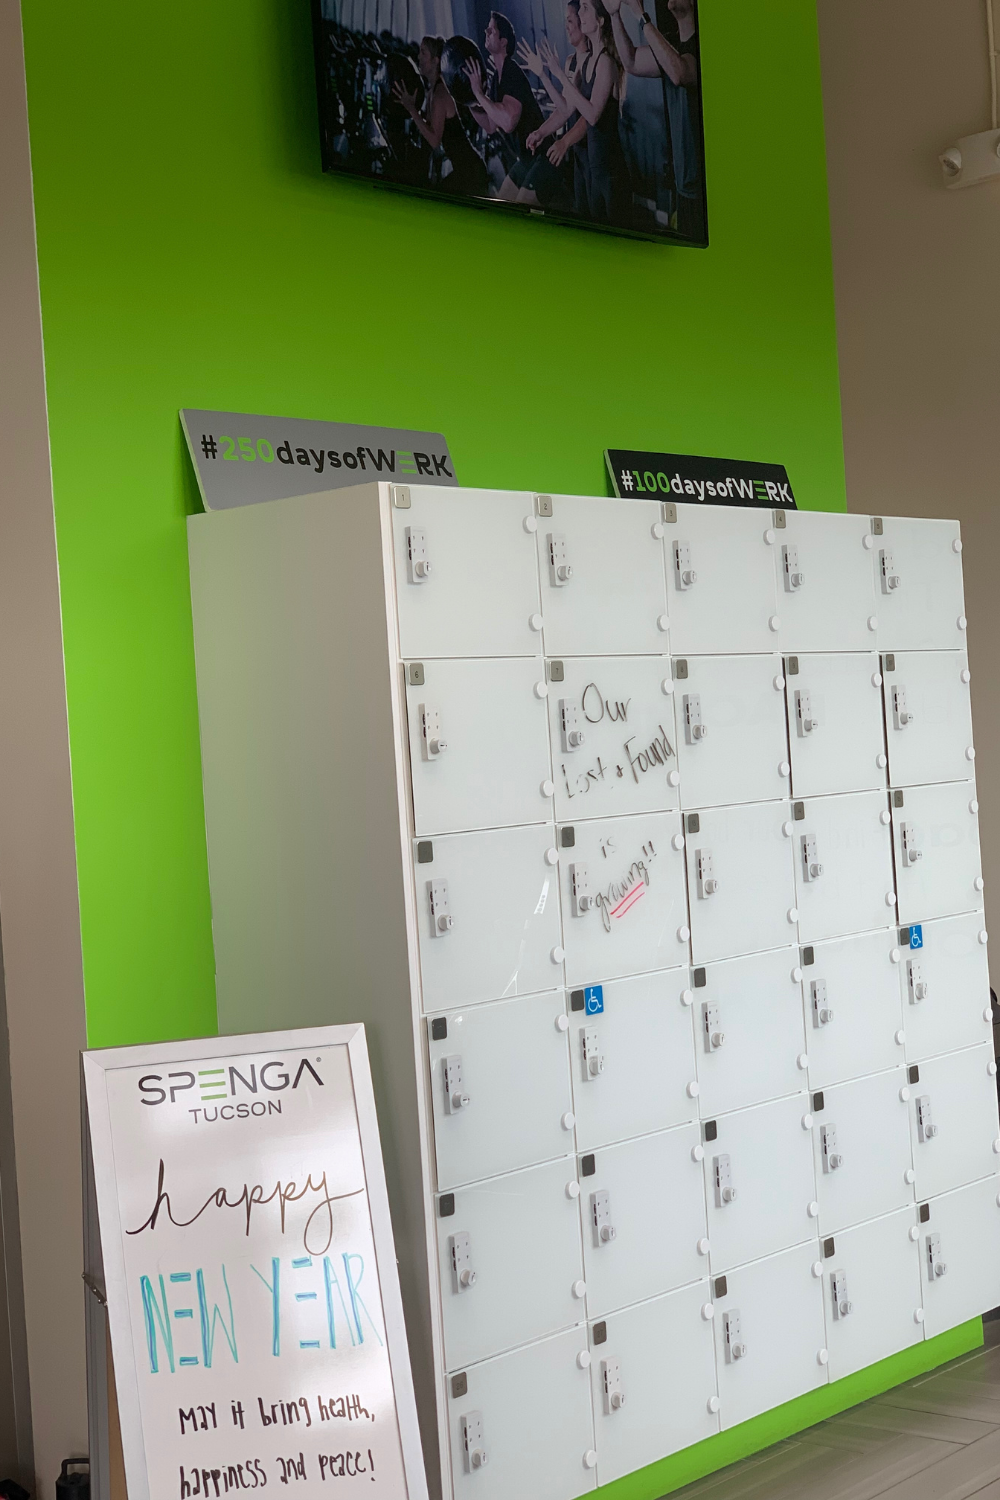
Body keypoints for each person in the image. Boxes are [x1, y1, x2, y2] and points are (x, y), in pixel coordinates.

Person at [608, 0, 703, 237]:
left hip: (704, 188)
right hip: (684, 185)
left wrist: (641, 14)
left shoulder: (701, 45)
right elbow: (629, 61)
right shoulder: (670, 44)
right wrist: (614, 16)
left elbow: (680, 72)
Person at [539, 0, 629, 224]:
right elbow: (567, 109)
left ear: (599, 21)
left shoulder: (605, 62)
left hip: (611, 172)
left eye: (586, 8)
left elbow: (592, 115)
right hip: (596, 169)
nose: (580, 13)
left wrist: (560, 75)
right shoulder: (586, 64)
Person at [512, 6, 590, 213]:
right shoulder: (571, 62)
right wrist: (540, 132)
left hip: (594, 150)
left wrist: (552, 73)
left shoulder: (591, 61)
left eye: (570, 21)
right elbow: (564, 109)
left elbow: (577, 111)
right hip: (578, 151)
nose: (566, 27)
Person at [393, 35, 488, 196]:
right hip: (465, 169)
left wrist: (412, 110)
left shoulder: (440, 94)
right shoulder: (432, 91)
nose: (418, 57)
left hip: (471, 172)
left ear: (436, 60)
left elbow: (434, 140)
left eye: (423, 53)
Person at [464, 12, 544, 197]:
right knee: (502, 200)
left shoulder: (512, 72)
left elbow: (508, 122)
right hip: (526, 159)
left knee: (522, 206)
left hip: (543, 157)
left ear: (503, 42)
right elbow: (492, 125)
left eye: (491, 30)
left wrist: (478, 93)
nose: (486, 32)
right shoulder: (494, 81)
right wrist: (469, 99)